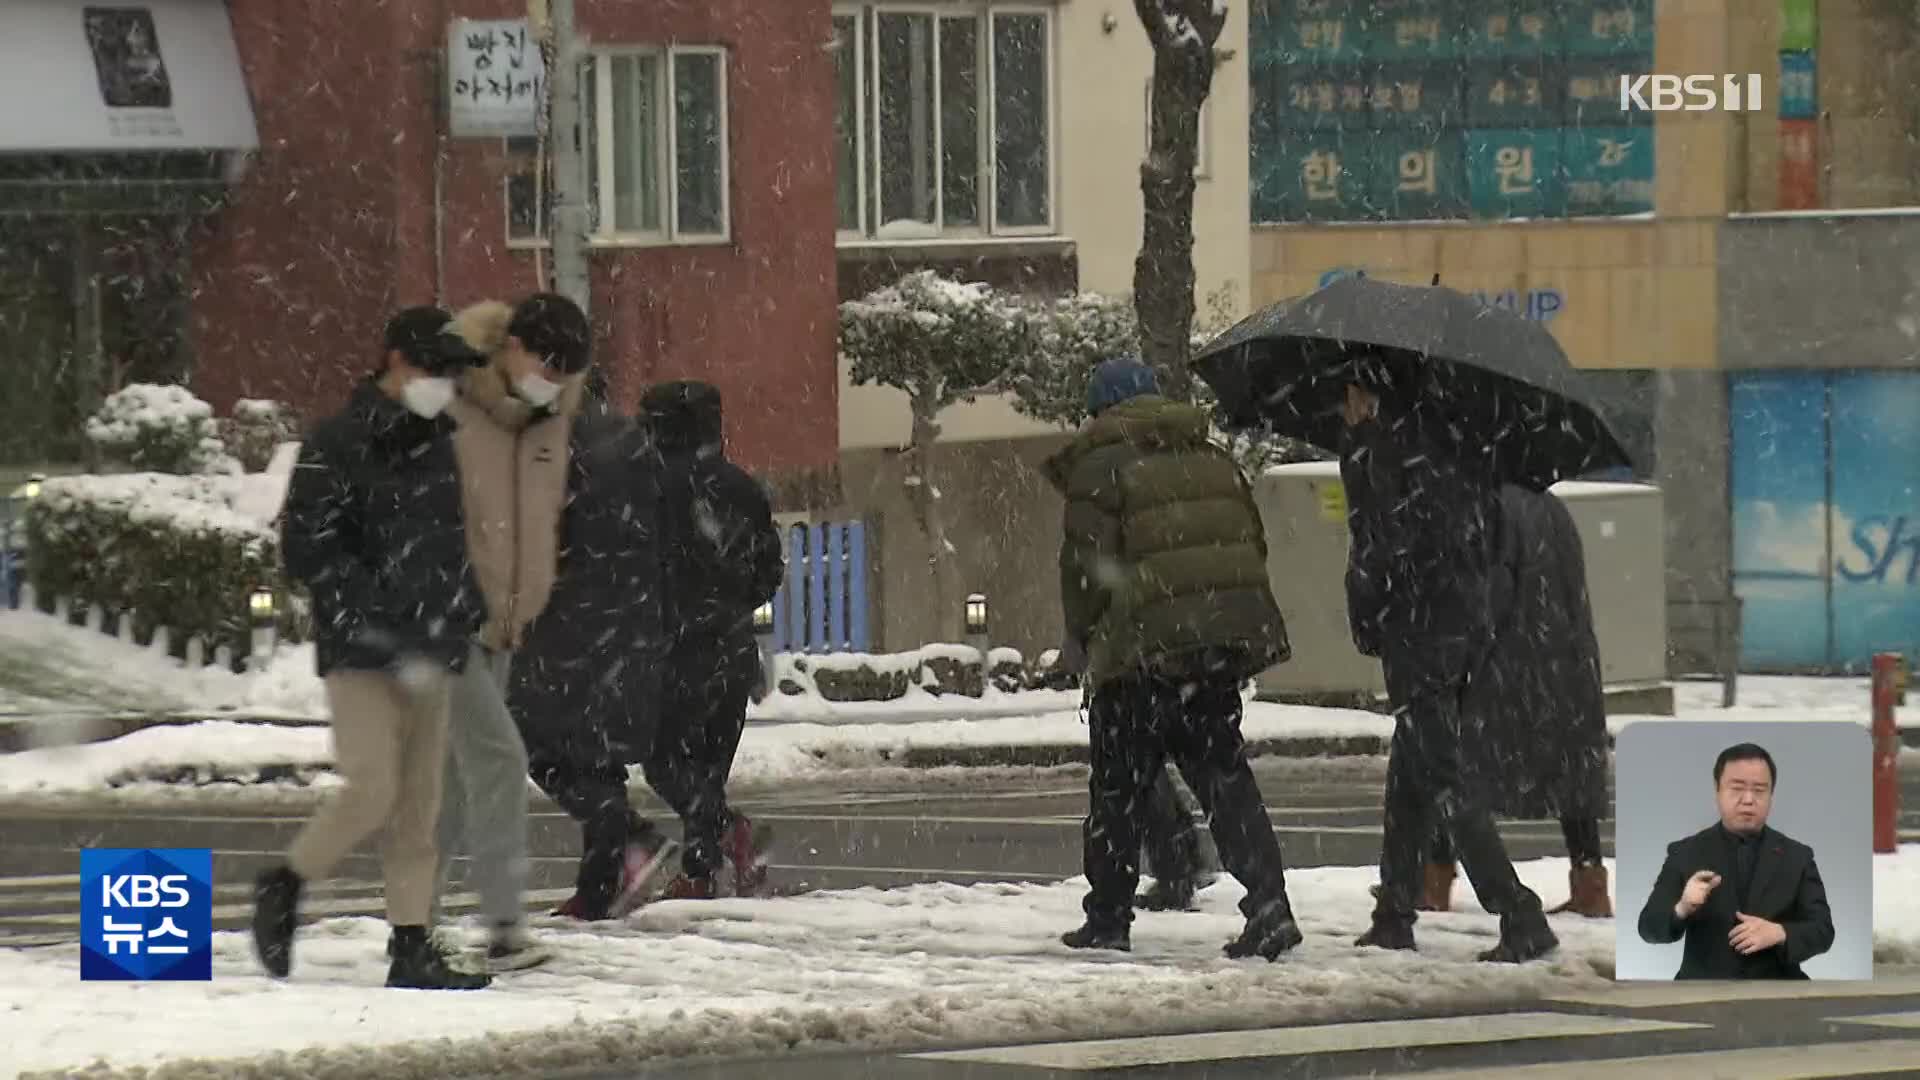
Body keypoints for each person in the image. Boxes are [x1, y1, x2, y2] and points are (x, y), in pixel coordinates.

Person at [252, 306, 491, 990]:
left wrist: (462, 609)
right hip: (363, 650)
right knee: (374, 788)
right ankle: (286, 883)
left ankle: (410, 944)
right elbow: (309, 548)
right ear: (394, 362)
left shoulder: (441, 444)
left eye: (451, 373)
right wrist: (379, 613)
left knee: (421, 808)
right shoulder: (338, 442)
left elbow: (451, 544)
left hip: (433, 648)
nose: (442, 383)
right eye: (432, 369)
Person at [1049, 358, 1301, 959]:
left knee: (1118, 791)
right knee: (1226, 782)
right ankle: (1270, 902)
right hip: (1213, 652)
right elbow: (1251, 546)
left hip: (1140, 655)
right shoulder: (1212, 458)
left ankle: (1108, 917)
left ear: (1101, 412)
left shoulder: (1100, 467)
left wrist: (1085, 639)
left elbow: (1085, 569)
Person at [456, 293, 675, 922]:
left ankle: (627, 842)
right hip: (628, 616)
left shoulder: (564, 441)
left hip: (567, 617)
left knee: (532, 741)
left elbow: (535, 528)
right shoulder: (626, 438)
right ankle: (608, 875)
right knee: (588, 751)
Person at [1340, 366, 1558, 963]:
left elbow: (1377, 547)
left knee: (1441, 775)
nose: (1343, 404)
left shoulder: (1385, 457)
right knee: (1410, 780)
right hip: (1458, 630)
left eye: (1351, 394)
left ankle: (1519, 912)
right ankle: (1393, 913)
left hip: (1419, 634)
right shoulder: (1457, 448)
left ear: (1370, 397)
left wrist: (1367, 617)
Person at [1369, 483, 1613, 918]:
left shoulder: (1484, 504)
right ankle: (1589, 879)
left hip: (1501, 657)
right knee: (1568, 764)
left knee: (1452, 764)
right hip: (1562, 652)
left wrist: (1464, 651)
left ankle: (1436, 877)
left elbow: (1487, 591)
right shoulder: (1552, 508)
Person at [638, 380, 784, 899]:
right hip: (733, 644)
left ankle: (723, 834)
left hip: (675, 644)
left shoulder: (652, 488)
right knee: (709, 763)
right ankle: (701, 870)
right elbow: (770, 569)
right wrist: (736, 598)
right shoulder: (743, 487)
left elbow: (637, 569)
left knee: (661, 757)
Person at [1636, 743, 1834, 979]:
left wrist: (1780, 933)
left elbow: (1823, 931)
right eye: (1737, 788)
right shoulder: (1685, 853)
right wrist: (1683, 907)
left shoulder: (1797, 856)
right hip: (1701, 994)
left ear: (1772, 795)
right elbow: (1648, 928)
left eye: (1760, 790)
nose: (1748, 799)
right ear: (1717, 791)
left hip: (1780, 992)